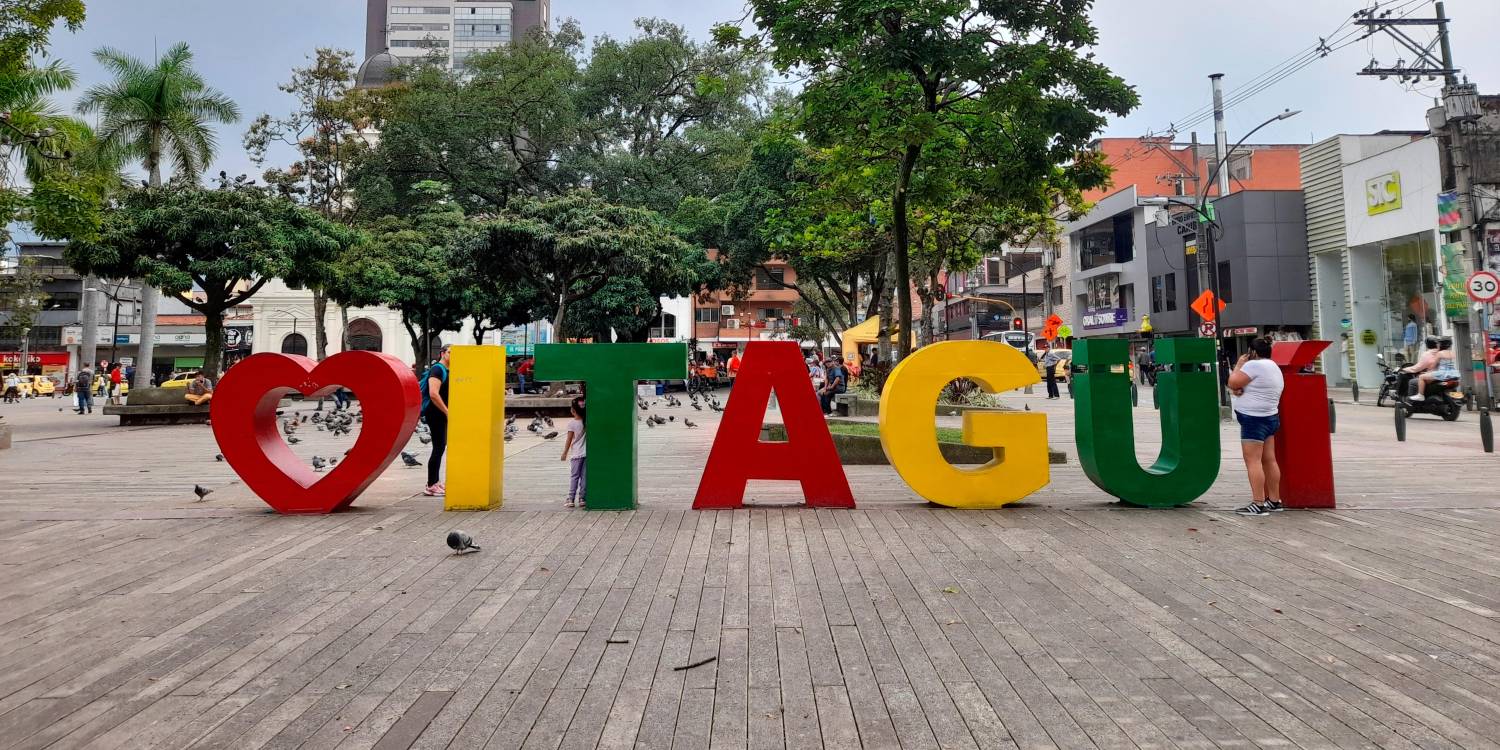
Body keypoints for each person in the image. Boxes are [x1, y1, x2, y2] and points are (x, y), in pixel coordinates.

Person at [1227, 337, 1285, 516]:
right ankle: (1275, 500)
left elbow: (1233, 382)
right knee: (1269, 459)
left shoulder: (1253, 366)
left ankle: (1258, 503)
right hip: (1270, 417)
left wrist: (1238, 365)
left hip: (1254, 419)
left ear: (1252, 352)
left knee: (1253, 461)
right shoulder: (1273, 366)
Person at [422, 345, 451, 497]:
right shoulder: (437, 369)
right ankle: (431, 484)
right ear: (443, 353)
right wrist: (447, 412)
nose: (453, 356)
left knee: (440, 446)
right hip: (435, 413)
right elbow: (433, 394)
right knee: (438, 447)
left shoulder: (448, 370)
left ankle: (435, 482)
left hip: (442, 413)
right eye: (450, 353)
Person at [560, 396, 587, 508]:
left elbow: (569, 439)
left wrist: (564, 453)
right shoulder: (586, 422)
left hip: (576, 454)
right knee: (584, 477)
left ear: (573, 410)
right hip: (586, 454)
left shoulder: (572, 423)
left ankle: (571, 498)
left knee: (574, 476)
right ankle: (582, 498)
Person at [1398, 337, 1440, 402]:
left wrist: (1405, 369)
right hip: (1444, 375)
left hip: (1435, 377)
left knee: (1412, 382)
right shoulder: (1442, 352)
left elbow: (1417, 368)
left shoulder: (1428, 354)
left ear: (1427, 345)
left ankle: (1411, 402)